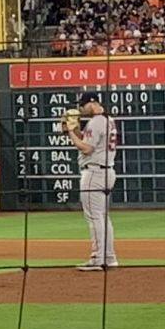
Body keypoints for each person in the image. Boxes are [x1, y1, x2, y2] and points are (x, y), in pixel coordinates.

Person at [67, 93, 118, 270]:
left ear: (93, 102)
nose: (80, 108)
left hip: (94, 173)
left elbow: (87, 148)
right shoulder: (108, 119)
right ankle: (109, 257)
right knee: (103, 216)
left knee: (94, 217)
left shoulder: (96, 121)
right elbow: (90, 141)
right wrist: (75, 132)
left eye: (83, 104)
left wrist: (70, 135)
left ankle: (98, 258)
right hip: (107, 171)